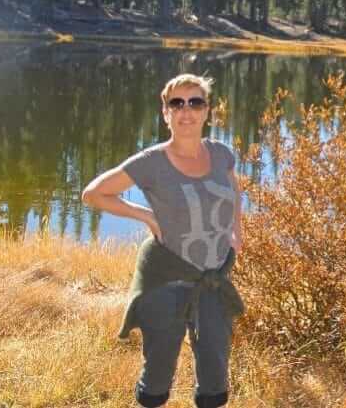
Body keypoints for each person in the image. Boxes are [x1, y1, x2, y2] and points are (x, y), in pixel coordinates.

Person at [82, 74, 244, 408]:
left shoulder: (222, 154)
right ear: (165, 112)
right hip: (165, 277)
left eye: (195, 102)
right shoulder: (151, 162)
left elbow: (235, 189)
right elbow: (94, 194)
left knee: (215, 371)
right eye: (177, 103)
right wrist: (145, 215)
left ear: (206, 111)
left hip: (213, 277)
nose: (187, 111)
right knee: (158, 372)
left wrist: (235, 232)